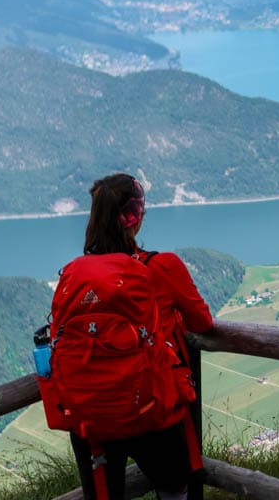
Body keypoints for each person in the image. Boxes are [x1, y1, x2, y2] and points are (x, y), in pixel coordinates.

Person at [68, 172, 215, 500]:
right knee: (174, 489)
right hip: (150, 409)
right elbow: (202, 322)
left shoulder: (77, 275)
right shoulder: (162, 267)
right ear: (135, 219)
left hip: (91, 415)